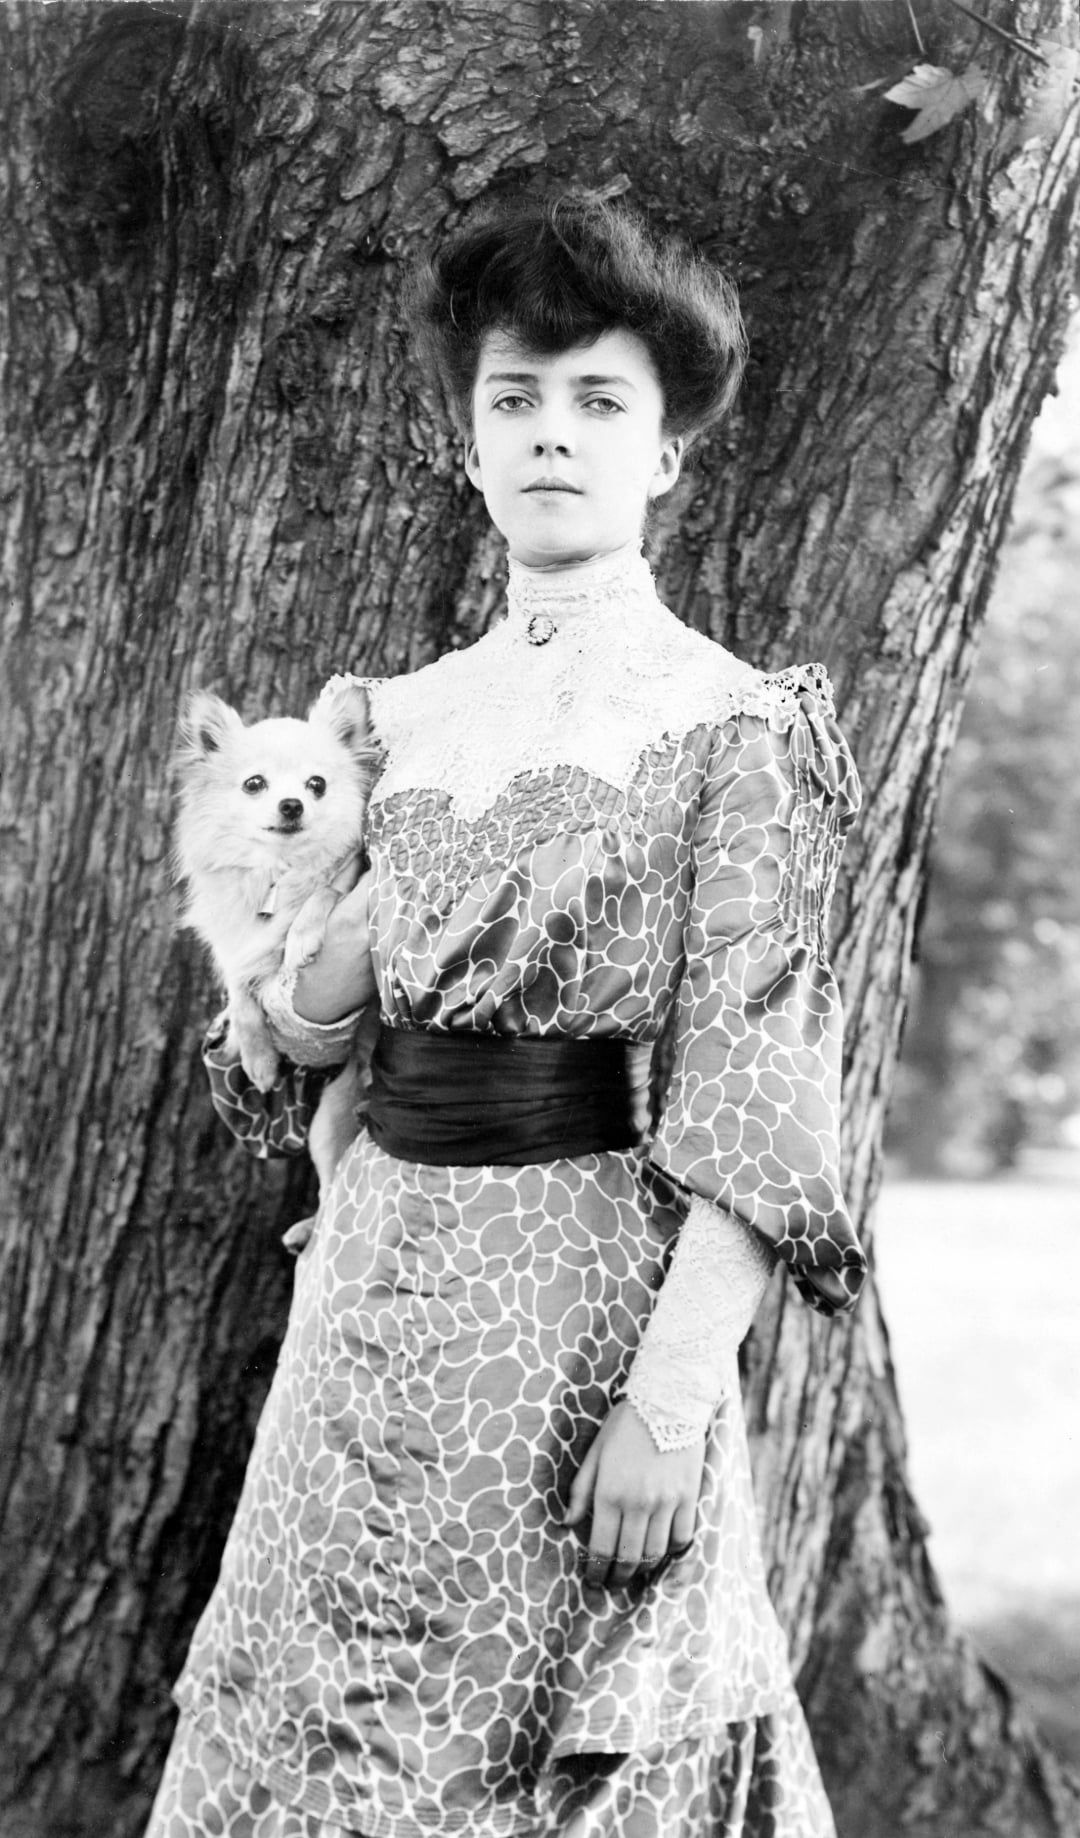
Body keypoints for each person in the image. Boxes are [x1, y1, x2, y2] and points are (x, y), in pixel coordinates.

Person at [147, 195, 867, 1838]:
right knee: (325, 1733)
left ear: (667, 452)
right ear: (468, 444)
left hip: (585, 1337)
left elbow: (759, 1098)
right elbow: (288, 1054)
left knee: (550, 1750)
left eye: (598, 401)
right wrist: (327, 982)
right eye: (514, 399)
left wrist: (669, 1403)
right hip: (367, 1319)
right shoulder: (381, 729)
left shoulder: (736, 726)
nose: (552, 435)